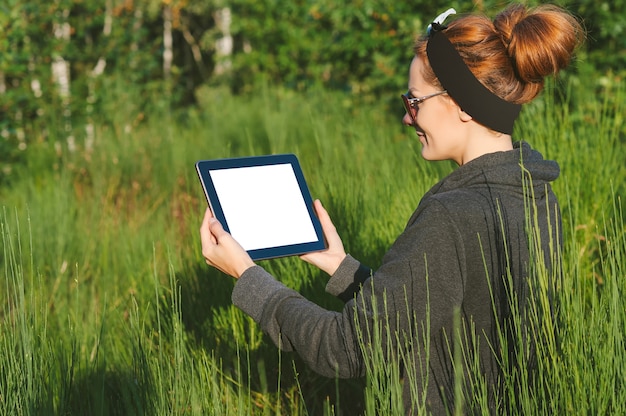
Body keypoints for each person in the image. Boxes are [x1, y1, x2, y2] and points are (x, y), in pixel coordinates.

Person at [200, 3, 584, 414]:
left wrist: (248, 277)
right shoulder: (535, 195)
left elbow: (345, 348)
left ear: (463, 105)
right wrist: (341, 266)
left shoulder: (451, 215)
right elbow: (439, 308)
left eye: (414, 100)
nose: (406, 117)